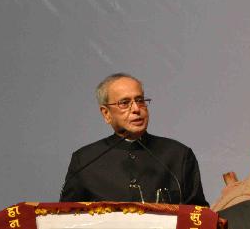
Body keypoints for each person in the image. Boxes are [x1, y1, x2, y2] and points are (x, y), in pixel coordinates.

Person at [60, 73, 207, 205]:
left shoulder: (178, 155)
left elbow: (198, 216)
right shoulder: (84, 160)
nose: (136, 109)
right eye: (124, 103)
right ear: (106, 113)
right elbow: (65, 217)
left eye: (140, 100)